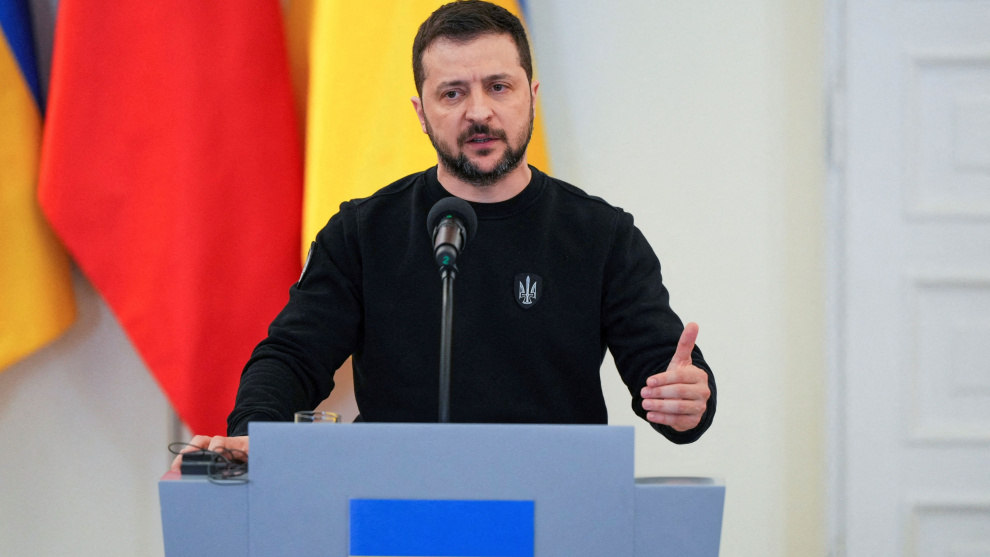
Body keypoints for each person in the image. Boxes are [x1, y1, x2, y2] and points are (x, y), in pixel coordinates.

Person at [172, 0, 715, 471]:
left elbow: (665, 372)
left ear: (531, 94)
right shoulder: (362, 233)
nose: (479, 112)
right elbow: (292, 356)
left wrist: (686, 400)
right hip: (394, 505)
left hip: (553, 507)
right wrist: (256, 430)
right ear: (421, 113)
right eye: (452, 93)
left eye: (498, 87)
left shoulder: (601, 235)